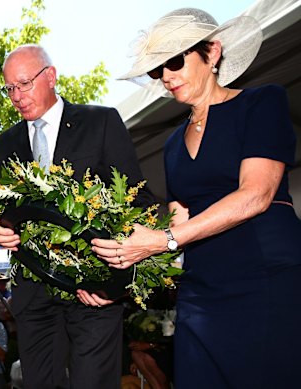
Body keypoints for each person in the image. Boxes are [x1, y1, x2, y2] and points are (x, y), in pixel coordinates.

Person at [78, 8, 301, 388]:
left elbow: (255, 195)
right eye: (156, 70)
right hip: (201, 288)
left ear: (212, 53)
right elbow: (175, 224)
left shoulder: (261, 103)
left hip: (266, 276)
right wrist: (114, 280)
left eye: (174, 61)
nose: (165, 77)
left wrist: (165, 239)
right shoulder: (171, 145)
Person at [0, 44, 151, 388]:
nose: (17, 96)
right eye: (10, 88)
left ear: (51, 77)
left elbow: (139, 200)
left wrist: (116, 281)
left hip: (93, 290)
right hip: (33, 293)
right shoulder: (5, 143)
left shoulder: (101, 121)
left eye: (24, 83)